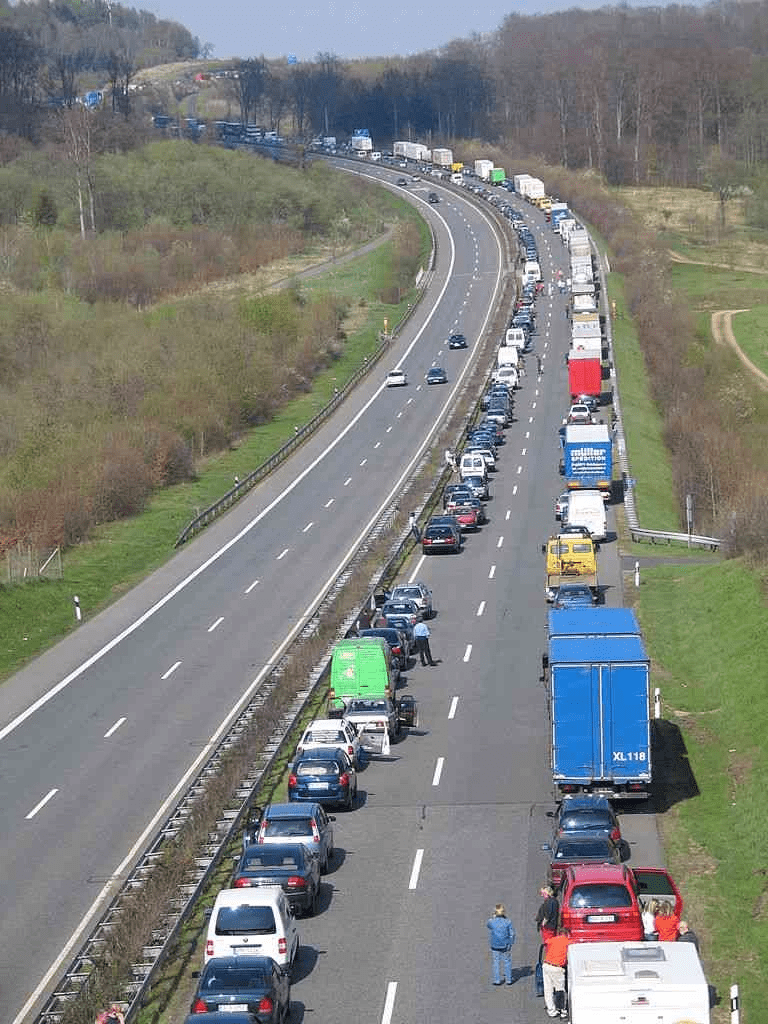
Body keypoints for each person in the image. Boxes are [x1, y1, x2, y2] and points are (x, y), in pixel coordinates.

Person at [542, 927, 570, 1018]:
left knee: (548, 989)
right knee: (560, 989)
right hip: (557, 968)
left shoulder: (554, 940)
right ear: (567, 934)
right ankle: (562, 1010)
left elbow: (546, 941)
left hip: (546, 965)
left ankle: (551, 1011)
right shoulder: (567, 942)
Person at [486, 903, 516, 985]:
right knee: (507, 961)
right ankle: (509, 980)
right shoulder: (508, 922)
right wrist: (510, 943)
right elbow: (512, 934)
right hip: (505, 945)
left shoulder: (491, 922)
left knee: (496, 962)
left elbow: (488, 926)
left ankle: (497, 980)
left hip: (495, 945)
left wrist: (493, 918)